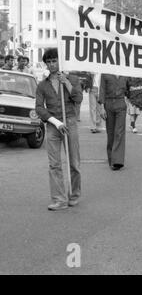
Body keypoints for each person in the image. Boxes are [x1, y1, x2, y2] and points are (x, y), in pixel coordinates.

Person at [35, 48, 83, 211]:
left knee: (74, 162)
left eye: (54, 61)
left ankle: (74, 194)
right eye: (48, 62)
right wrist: (55, 122)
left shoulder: (73, 79)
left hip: (69, 121)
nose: (51, 64)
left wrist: (67, 83)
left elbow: (78, 98)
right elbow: (39, 108)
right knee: (54, 164)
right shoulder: (42, 85)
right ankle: (59, 199)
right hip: (53, 125)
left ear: (60, 61)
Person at [99, 74, 128, 171]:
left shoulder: (125, 71)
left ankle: (118, 161)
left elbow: (130, 88)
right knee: (111, 133)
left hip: (121, 103)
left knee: (119, 132)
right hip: (108, 103)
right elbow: (102, 89)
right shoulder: (105, 72)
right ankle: (111, 159)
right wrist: (102, 108)